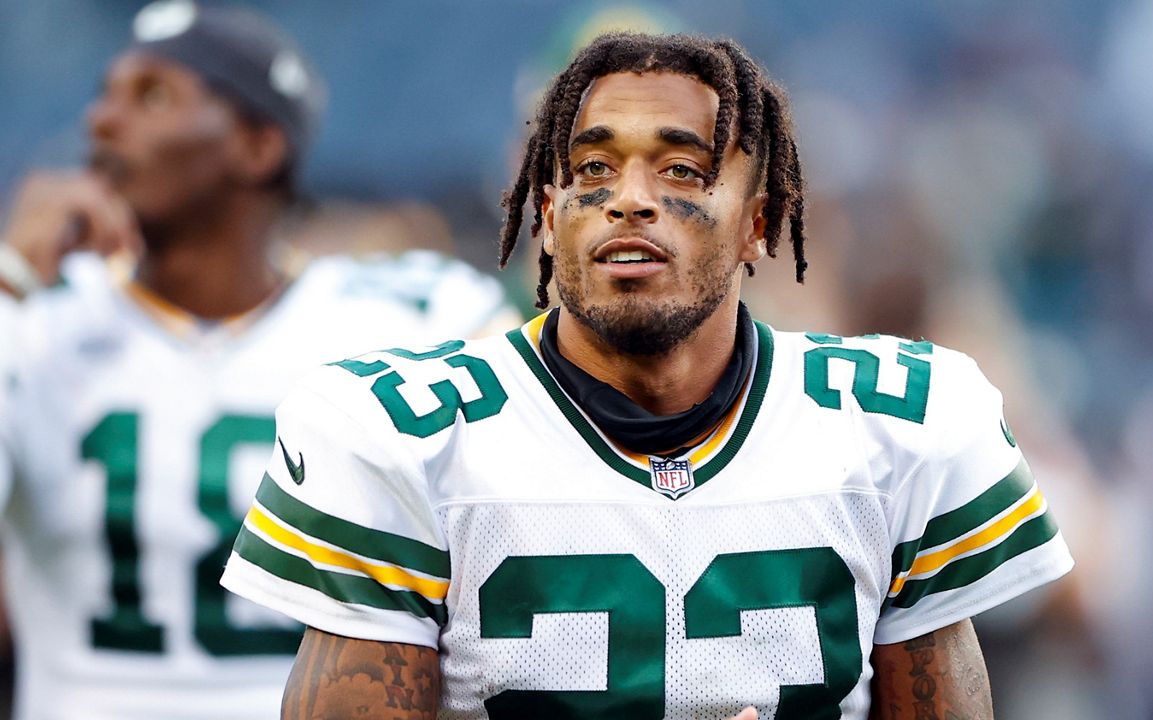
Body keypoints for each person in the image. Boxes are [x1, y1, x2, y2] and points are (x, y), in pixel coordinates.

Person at [220, 33, 1074, 719]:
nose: (630, 198)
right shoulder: (396, 432)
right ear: (548, 221)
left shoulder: (901, 425)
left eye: (682, 170)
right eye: (593, 169)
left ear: (759, 225)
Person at [0, 1, 517, 718]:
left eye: (151, 95)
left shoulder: (406, 318)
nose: (102, 122)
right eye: (105, 93)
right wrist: (9, 280)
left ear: (258, 145)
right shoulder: (36, 313)